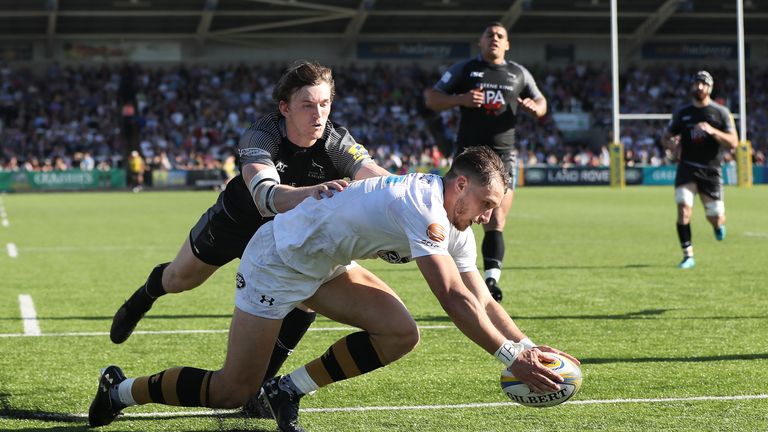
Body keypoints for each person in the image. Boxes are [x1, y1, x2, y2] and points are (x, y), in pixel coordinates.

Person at [89, 146, 579, 432]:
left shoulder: (457, 225)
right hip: (278, 262)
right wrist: (507, 357)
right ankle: (122, 391)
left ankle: (287, 390)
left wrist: (528, 347)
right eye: (486, 203)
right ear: (460, 185)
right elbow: (453, 298)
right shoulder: (425, 205)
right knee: (231, 390)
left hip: (324, 266)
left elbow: (480, 297)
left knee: (400, 333)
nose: (490, 217)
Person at [107, 61, 391, 413]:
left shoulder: (336, 142)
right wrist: (318, 191)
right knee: (179, 279)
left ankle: (258, 389)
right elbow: (266, 197)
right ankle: (144, 296)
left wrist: (404, 194)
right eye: (307, 105)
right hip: (237, 223)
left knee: (302, 298)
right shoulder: (261, 135)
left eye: (325, 103)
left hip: (287, 240)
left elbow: (377, 177)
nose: (318, 114)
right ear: (284, 108)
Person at [423, 22, 547, 302]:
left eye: (500, 36)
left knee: (496, 218)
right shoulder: (464, 70)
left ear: (507, 44)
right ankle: (450, 275)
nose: (494, 38)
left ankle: (490, 282)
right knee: (454, 214)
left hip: (503, 156)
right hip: (468, 156)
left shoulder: (518, 73)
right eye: (489, 35)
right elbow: (431, 98)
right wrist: (461, 99)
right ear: (479, 42)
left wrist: (535, 108)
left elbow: (542, 102)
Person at [662, 70, 738, 269]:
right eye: (696, 83)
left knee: (714, 216)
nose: (699, 87)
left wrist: (712, 131)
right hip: (687, 167)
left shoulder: (720, 113)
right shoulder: (682, 113)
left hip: (711, 170)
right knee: (683, 208)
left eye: (703, 84)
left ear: (710, 88)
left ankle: (718, 225)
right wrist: (673, 146)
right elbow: (665, 138)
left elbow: (733, 142)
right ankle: (688, 255)